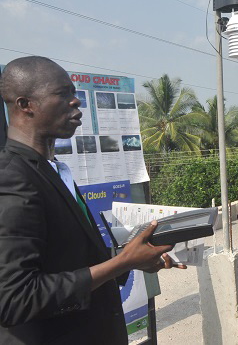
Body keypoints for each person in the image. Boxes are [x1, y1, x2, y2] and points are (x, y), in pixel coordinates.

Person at [0, 56, 183, 344]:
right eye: (63, 94)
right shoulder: (11, 179)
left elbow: (70, 262)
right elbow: (14, 299)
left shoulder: (55, 170)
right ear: (25, 105)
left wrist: (134, 260)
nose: (76, 102)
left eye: (74, 93)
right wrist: (121, 263)